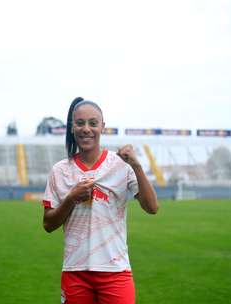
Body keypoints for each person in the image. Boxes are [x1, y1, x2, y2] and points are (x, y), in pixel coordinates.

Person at [42, 97, 158, 304]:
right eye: (80, 123)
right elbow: (48, 224)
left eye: (93, 123)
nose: (86, 129)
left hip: (115, 271)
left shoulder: (121, 165)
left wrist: (137, 165)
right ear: (72, 127)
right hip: (75, 271)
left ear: (102, 127)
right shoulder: (60, 171)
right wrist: (71, 198)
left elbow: (152, 208)